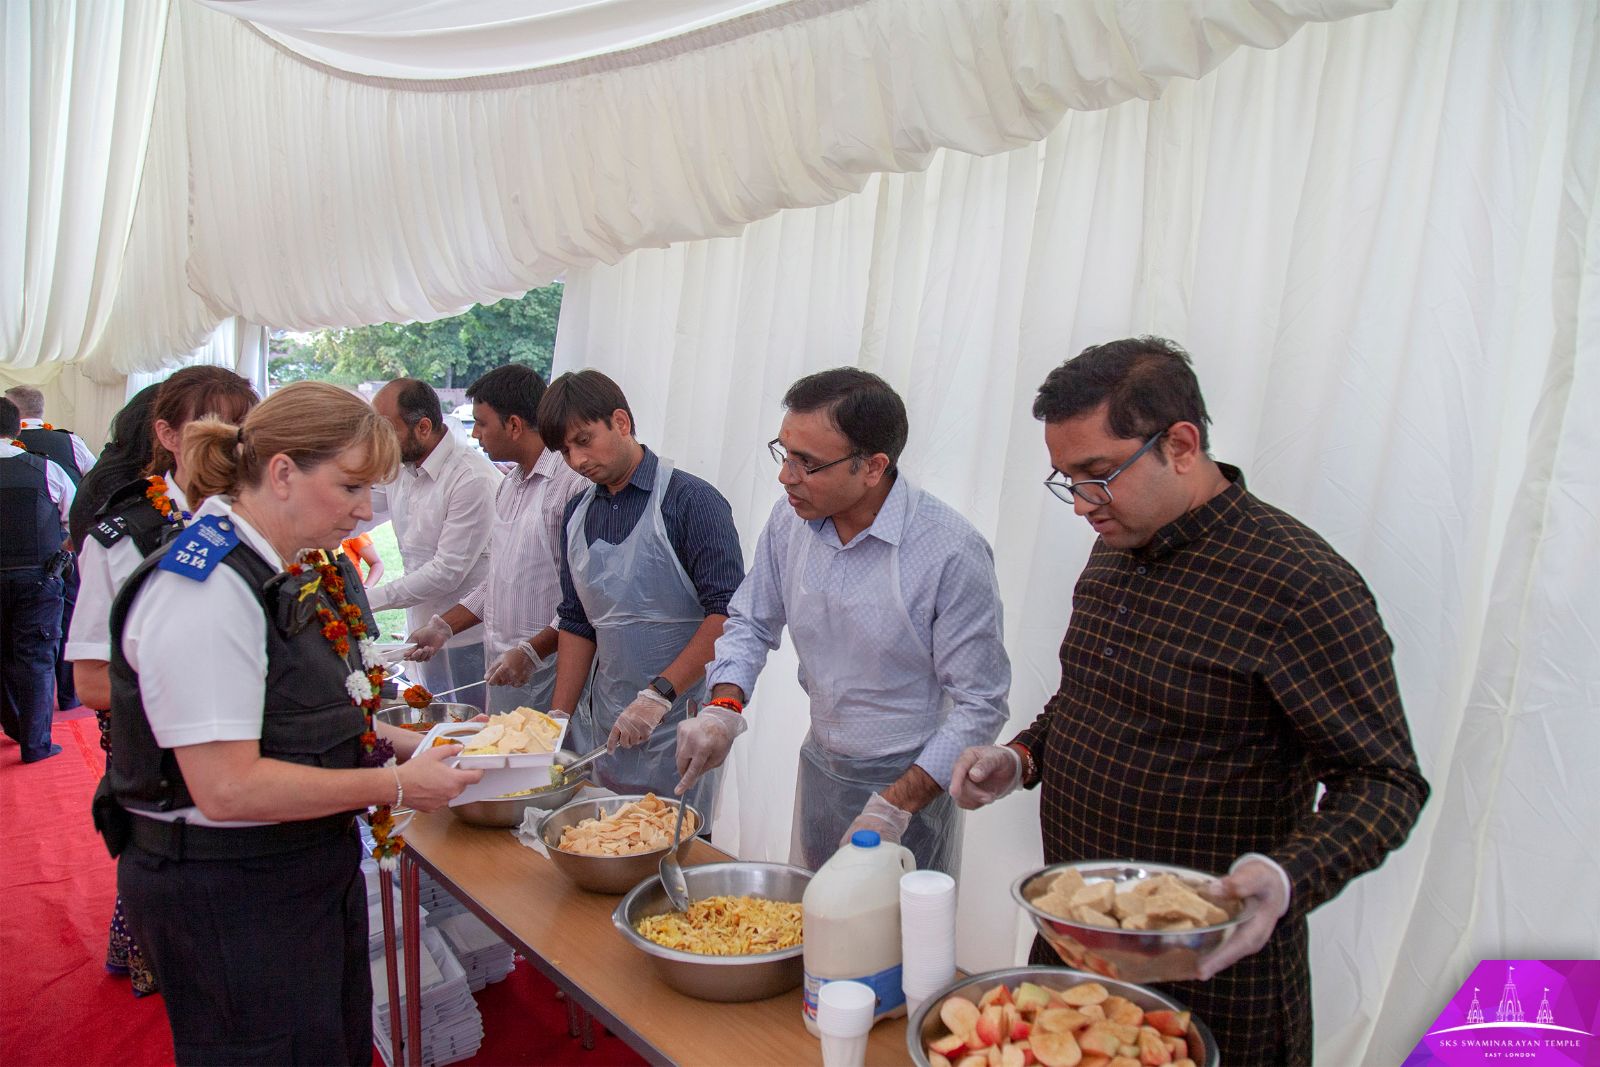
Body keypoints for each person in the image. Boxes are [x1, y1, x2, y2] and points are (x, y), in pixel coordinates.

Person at [948, 338, 1429, 1065]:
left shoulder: (1301, 584)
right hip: (1078, 947)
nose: (1081, 504)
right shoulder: (1116, 544)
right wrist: (1021, 757)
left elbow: (1385, 781)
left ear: (1180, 444)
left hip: (1216, 975)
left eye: (1098, 475)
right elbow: (1090, 694)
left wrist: (1285, 877)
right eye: (1067, 480)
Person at [93, 381, 482, 1066]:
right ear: (281, 473)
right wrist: (396, 785)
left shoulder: (277, 569)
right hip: (231, 889)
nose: (364, 512)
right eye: (351, 487)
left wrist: (422, 741)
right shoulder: (208, 587)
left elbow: (304, 717)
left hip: (292, 868)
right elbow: (228, 788)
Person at [673, 369, 1010, 874]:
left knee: (894, 918)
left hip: (914, 782)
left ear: (873, 467)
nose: (786, 477)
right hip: (823, 764)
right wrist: (722, 707)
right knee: (812, 903)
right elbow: (750, 621)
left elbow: (981, 702)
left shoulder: (949, 551)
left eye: (807, 463)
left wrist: (895, 805)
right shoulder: (790, 521)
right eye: (784, 453)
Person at [63, 366, 257, 997]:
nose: (232, 439)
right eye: (215, 423)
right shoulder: (124, 537)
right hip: (158, 753)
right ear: (169, 435)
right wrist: (206, 698)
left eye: (244, 425)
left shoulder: (263, 519)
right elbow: (93, 680)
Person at [540, 370, 744, 817]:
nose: (576, 460)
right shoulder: (576, 513)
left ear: (621, 422)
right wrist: (557, 719)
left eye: (584, 441)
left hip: (680, 718)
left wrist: (658, 695)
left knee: (673, 835)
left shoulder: (691, 501)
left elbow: (728, 615)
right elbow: (576, 621)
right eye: (565, 451)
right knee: (609, 832)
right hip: (608, 718)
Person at [404, 366, 588, 713]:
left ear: (514, 425)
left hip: (553, 667)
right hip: (505, 663)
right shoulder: (509, 485)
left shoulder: (572, 484)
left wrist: (532, 651)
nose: (475, 434)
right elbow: (500, 579)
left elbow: (584, 598)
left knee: (554, 746)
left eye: (481, 423)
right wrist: (443, 627)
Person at [367, 380, 501, 708]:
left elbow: (446, 571)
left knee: (471, 722)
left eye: (386, 430)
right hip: (423, 627)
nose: (378, 441)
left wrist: (365, 601)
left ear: (423, 428)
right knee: (432, 717)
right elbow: (361, 508)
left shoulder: (470, 477)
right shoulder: (401, 465)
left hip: (468, 634)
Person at [6, 384, 95, 712]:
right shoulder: (69, 442)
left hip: (18, 556)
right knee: (66, 619)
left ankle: (16, 706)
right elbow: (92, 482)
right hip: (60, 552)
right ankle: (69, 693)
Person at [1, 396, 76, 763]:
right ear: (18, 429)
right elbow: (74, 521)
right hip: (38, 578)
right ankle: (35, 743)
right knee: (37, 658)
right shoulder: (47, 469)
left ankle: (15, 727)